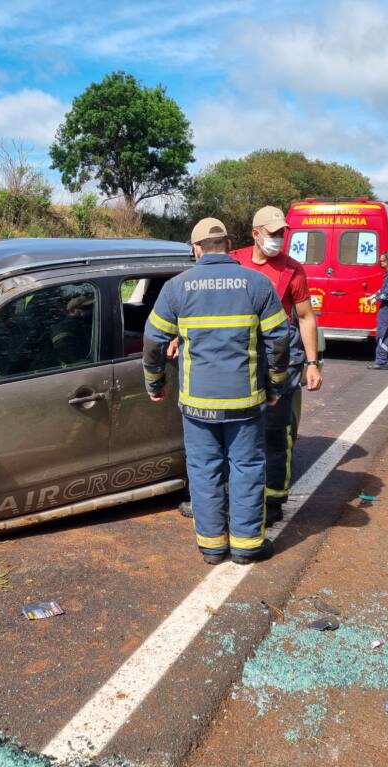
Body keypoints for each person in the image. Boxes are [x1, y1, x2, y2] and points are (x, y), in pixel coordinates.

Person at [143, 217, 290, 565]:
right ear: (228, 244)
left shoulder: (177, 288)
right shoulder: (257, 284)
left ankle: (211, 547)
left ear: (196, 249)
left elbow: (153, 342)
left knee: (204, 470)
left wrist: (155, 382)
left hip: (197, 404)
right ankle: (246, 546)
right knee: (247, 469)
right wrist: (276, 385)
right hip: (245, 402)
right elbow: (280, 342)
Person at [177, 205, 322, 523]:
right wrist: (177, 336)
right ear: (256, 234)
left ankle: (271, 500)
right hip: (240, 359)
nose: (279, 239)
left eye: (283, 233)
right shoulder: (235, 261)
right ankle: (219, 501)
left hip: (279, 357)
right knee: (231, 437)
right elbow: (201, 305)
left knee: (274, 433)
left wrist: (313, 362)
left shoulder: (292, 270)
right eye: (273, 233)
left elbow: (305, 317)